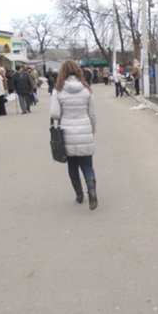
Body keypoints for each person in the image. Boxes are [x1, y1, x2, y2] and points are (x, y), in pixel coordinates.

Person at [50, 60, 98, 211]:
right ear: (78, 71)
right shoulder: (86, 89)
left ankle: (79, 195)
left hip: (67, 132)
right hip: (85, 130)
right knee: (87, 165)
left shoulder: (58, 90)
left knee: (72, 166)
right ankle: (92, 190)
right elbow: (92, 114)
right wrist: (92, 130)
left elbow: (55, 114)